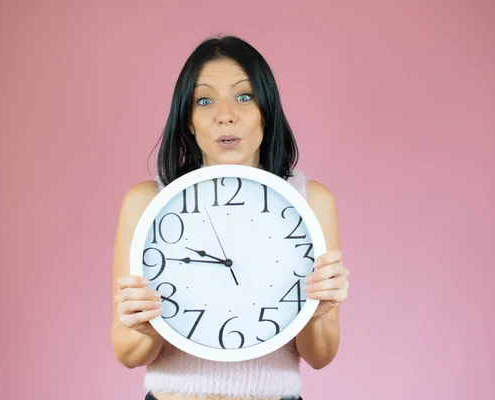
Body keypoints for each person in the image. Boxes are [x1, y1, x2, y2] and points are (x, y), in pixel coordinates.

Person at [111, 35, 350, 400]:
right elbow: (127, 354)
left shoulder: (310, 202)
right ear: (189, 121)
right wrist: (144, 326)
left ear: (265, 111)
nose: (226, 115)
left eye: (244, 96)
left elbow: (320, 356)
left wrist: (320, 312)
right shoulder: (148, 204)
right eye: (204, 100)